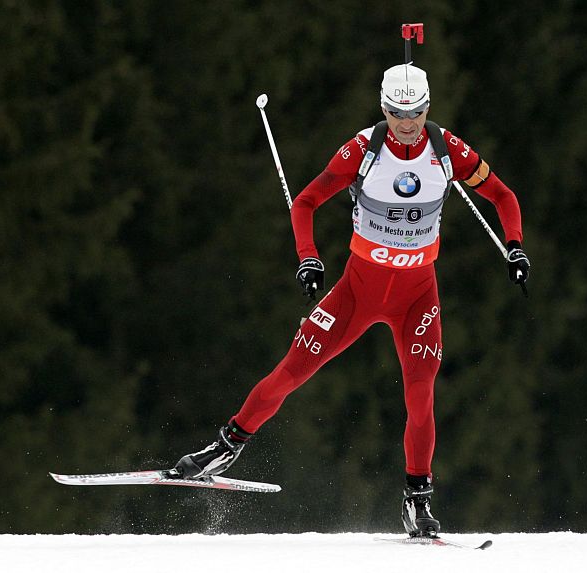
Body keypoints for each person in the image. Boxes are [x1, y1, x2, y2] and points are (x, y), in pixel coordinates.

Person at [173, 63, 530, 537]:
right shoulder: (364, 150)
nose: (407, 123)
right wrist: (309, 258)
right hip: (357, 292)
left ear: (428, 108)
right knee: (292, 371)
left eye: (417, 113)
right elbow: (305, 202)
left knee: (420, 394)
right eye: (397, 113)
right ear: (383, 107)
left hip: (418, 298)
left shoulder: (448, 151)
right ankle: (225, 446)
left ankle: (417, 500)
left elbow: (503, 196)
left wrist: (515, 246)